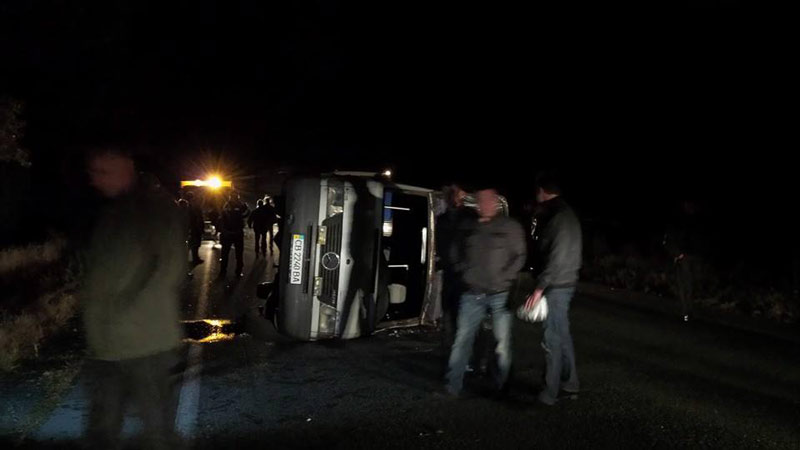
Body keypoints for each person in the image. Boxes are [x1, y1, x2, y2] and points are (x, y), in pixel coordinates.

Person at [81, 147, 185, 449]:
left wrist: (124, 309)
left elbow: (170, 267)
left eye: (103, 171)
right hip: (107, 342)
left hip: (144, 342)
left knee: (156, 430)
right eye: (92, 172)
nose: (94, 180)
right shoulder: (113, 210)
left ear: (125, 167)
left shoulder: (153, 208)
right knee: (102, 429)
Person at [446, 188, 526, 397]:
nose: (485, 205)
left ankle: (502, 386)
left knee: (502, 343)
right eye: (481, 201)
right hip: (472, 293)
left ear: (495, 203)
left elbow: (519, 256)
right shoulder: (468, 226)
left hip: (499, 294)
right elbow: (455, 250)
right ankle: (453, 385)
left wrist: (505, 277)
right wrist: (463, 271)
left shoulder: (510, 226)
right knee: (462, 340)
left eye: (489, 200)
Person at [525, 171, 582, 406]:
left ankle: (550, 392)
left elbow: (555, 257)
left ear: (542, 191)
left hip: (556, 286)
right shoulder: (565, 214)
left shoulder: (558, 217)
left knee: (552, 340)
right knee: (562, 335)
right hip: (564, 283)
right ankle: (570, 383)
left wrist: (539, 288)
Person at [436, 185, 473, 354]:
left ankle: (462, 354)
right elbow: (441, 244)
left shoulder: (469, 217)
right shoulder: (443, 218)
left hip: (464, 275)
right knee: (448, 313)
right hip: (449, 273)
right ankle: (450, 353)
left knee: (461, 316)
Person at [663, 199, 703, 322]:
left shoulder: (695, 221)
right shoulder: (679, 220)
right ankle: (686, 311)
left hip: (693, 256)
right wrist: (677, 254)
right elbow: (669, 238)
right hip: (685, 256)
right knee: (685, 284)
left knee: (690, 284)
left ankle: (688, 311)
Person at [219, 191, 249, 278]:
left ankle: (223, 271)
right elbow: (246, 214)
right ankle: (238, 271)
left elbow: (222, 217)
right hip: (237, 232)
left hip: (228, 232)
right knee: (238, 254)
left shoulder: (226, 205)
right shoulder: (241, 205)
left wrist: (224, 230)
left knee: (225, 253)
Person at [185, 191, 205, 264]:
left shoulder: (190, 206)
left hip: (193, 228)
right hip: (194, 228)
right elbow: (196, 218)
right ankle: (194, 258)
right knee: (194, 244)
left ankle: (193, 258)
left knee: (193, 245)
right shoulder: (191, 207)